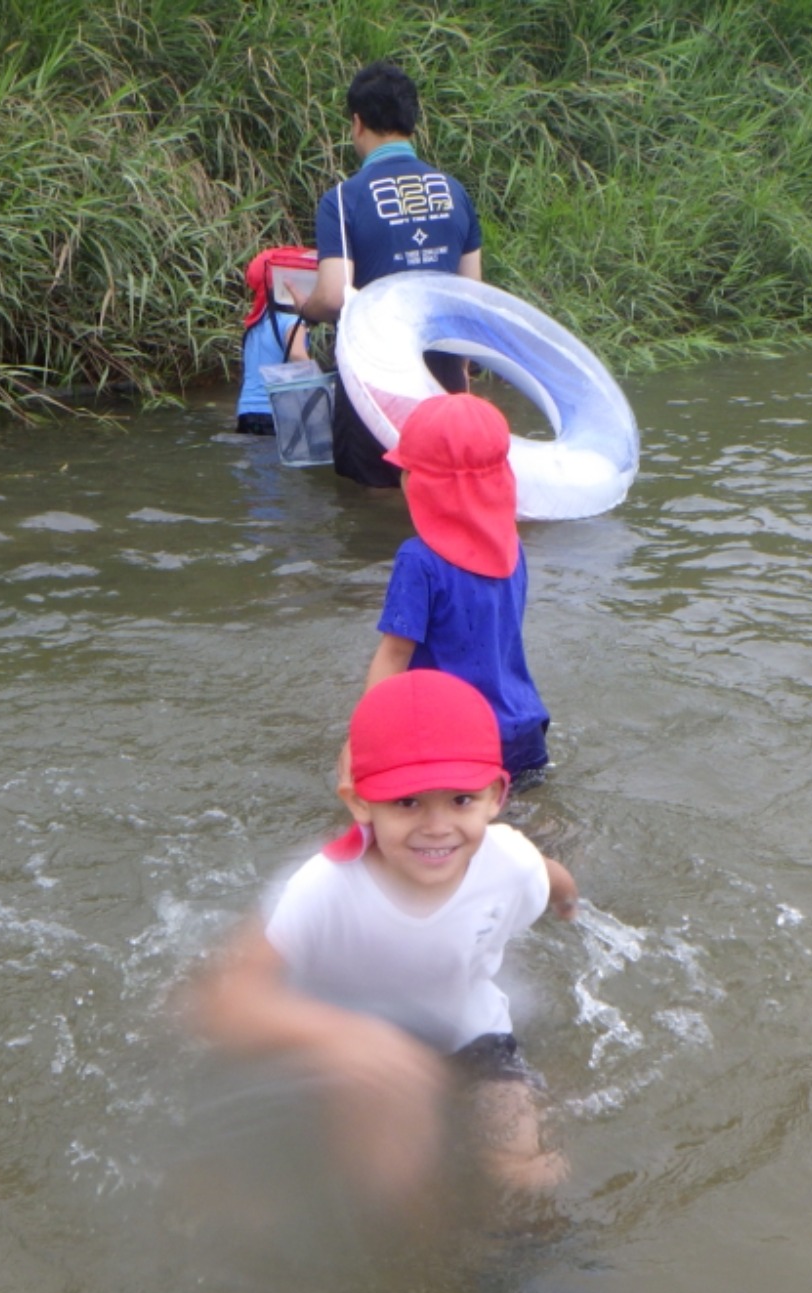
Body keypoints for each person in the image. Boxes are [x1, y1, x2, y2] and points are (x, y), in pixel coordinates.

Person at [190, 669, 578, 1227]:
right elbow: (225, 1003)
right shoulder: (325, 887)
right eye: (407, 803)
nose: (437, 827)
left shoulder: (509, 861)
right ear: (360, 803)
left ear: (496, 796)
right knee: (399, 1195)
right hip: (354, 1039)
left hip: (472, 1029)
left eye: (461, 799)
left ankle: (526, 1274)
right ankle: (429, 1285)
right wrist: (344, 1038)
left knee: (522, 1165)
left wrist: (569, 907)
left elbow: (552, 876)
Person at [296, 61, 483, 488]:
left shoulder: (343, 199)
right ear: (411, 120)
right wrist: (463, 379)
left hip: (374, 382)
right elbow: (471, 296)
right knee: (439, 489)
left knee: (370, 505)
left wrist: (305, 307)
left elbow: (335, 295)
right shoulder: (455, 192)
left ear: (358, 123)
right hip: (445, 375)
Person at [358, 392, 551, 782]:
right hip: (523, 724)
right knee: (527, 833)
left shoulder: (419, 560)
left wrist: (363, 741)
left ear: (419, 482)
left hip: (453, 736)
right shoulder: (511, 545)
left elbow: (394, 655)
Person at [235, 246, 312, 435]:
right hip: (275, 412)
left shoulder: (256, 324)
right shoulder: (293, 322)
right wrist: (322, 384)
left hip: (246, 411)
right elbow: (297, 355)